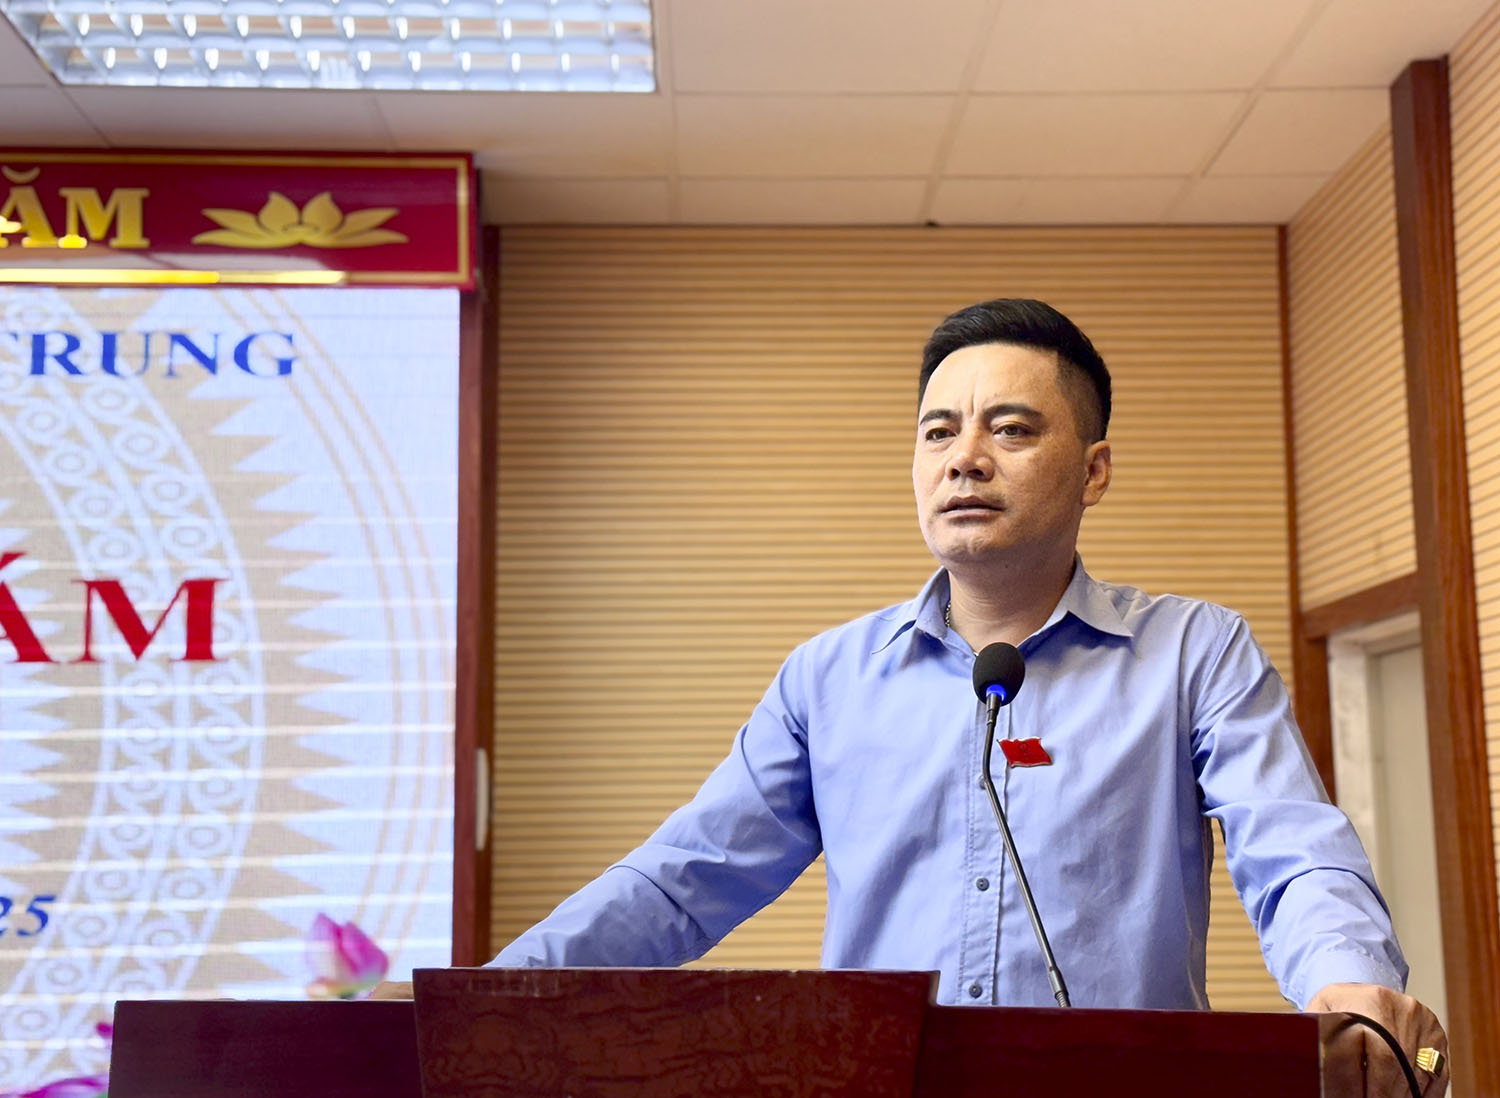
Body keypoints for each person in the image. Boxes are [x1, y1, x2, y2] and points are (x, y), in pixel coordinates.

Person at [482, 299, 1448, 1097]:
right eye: (938, 431)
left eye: (1012, 430)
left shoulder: (1195, 652)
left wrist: (1349, 984)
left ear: (1094, 471)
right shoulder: (828, 677)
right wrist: (488, 1000)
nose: (965, 458)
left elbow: (1294, 850)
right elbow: (681, 881)